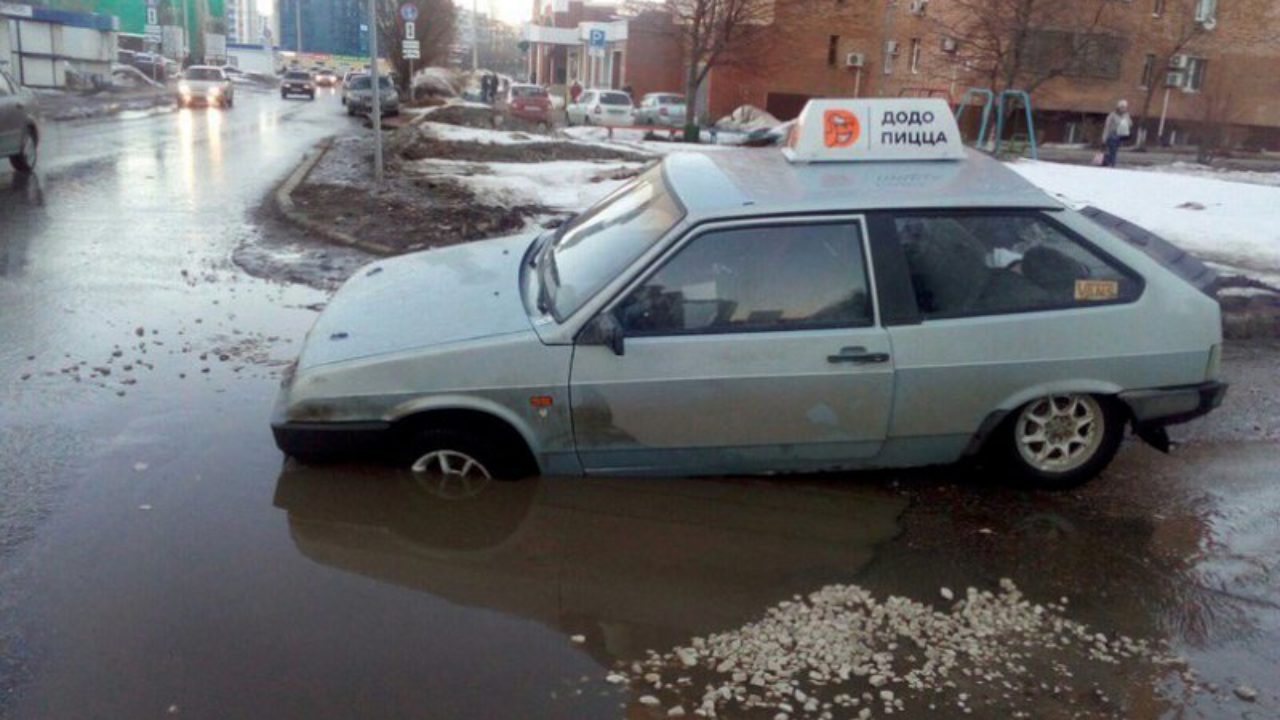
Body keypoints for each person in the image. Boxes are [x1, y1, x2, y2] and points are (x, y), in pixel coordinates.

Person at [1102, 99, 1132, 168]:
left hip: (1120, 136)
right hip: (1111, 136)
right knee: (1113, 151)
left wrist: (1126, 121)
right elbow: (1107, 127)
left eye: (1125, 107)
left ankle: (1108, 162)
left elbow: (1130, 124)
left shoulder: (1126, 115)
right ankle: (1112, 164)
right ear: (1118, 107)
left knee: (1114, 151)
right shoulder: (1112, 115)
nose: (1124, 109)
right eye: (1122, 107)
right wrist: (1104, 138)